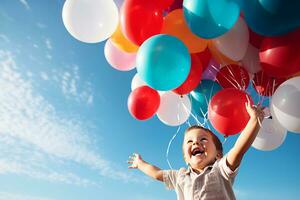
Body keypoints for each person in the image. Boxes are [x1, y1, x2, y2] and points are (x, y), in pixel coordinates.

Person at [127, 98, 265, 200]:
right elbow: (157, 173)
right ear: (186, 158)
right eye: (189, 141)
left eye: (203, 139)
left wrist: (254, 120)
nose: (195, 143)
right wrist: (140, 163)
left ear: (218, 155)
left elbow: (238, 150)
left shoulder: (221, 169)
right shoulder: (179, 176)